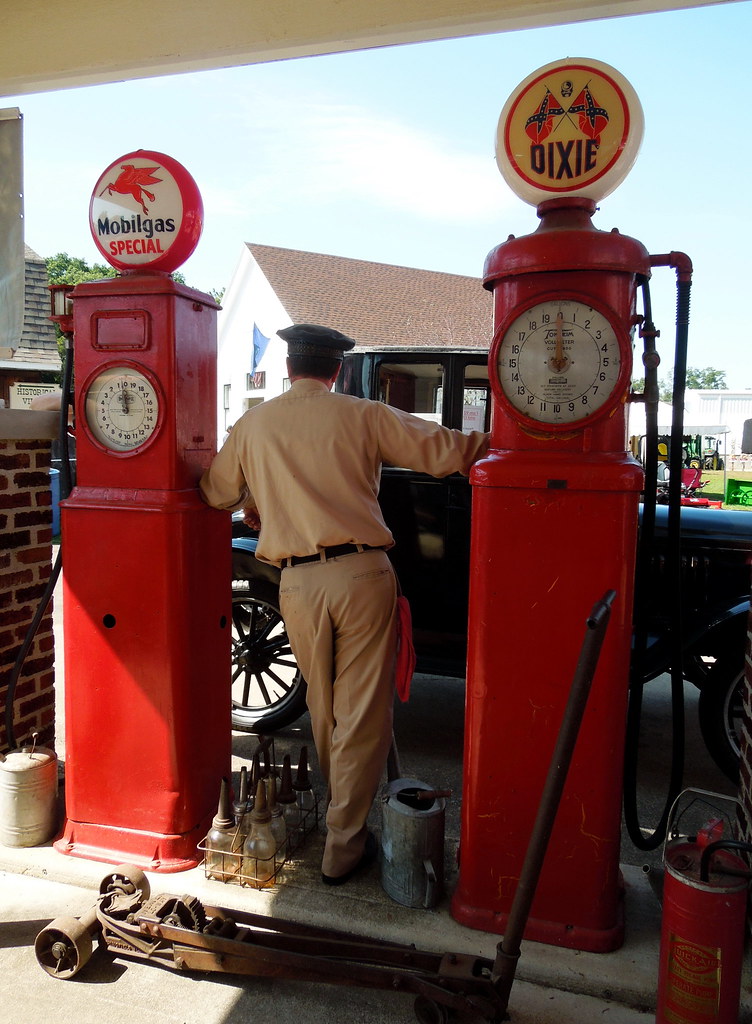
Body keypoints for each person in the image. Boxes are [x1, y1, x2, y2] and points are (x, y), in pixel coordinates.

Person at [199, 323, 489, 885]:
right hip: (361, 574)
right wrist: (515, 441)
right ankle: (344, 841)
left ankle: (344, 827)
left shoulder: (254, 424)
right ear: (336, 370)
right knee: (361, 715)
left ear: (289, 367)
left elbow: (214, 492)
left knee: (327, 710)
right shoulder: (362, 415)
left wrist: (259, 493)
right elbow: (447, 452)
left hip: (297, 584)